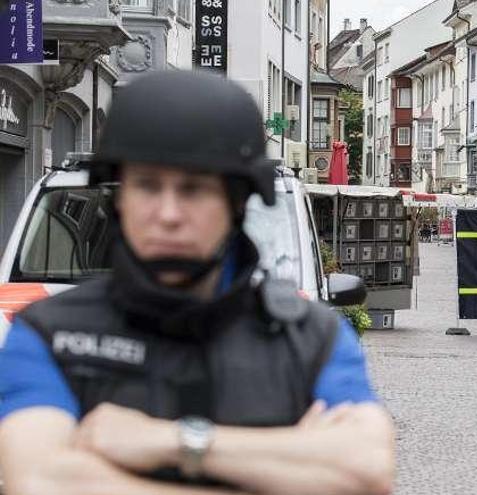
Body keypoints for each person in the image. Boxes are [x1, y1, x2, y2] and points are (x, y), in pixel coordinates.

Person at [0, 72, 394, 495]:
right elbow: (41, 481)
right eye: (148, 187)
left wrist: (170, 441)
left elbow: (367, 472)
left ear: (237, 203)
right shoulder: (49, 333)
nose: (168, 213)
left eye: (194, 190)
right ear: (120, 200)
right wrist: (290, 465)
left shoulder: (310, 337)